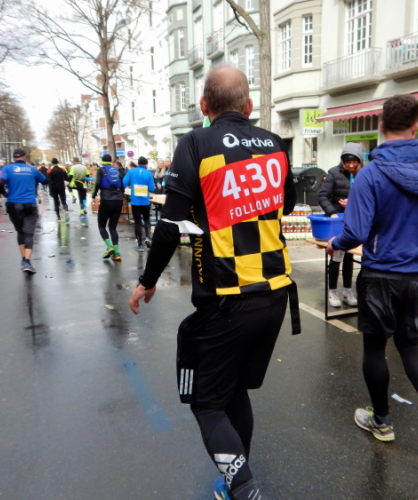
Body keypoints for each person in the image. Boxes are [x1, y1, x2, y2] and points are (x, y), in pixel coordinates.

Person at [129, 65, 299, 500]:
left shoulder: (196, 143)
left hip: (227, 298)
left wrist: (148, 280)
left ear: (204, 106)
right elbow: (287, 204)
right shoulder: (275, 144)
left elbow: (170, 225)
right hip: (275, 293)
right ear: (249, 105)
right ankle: (237, 481)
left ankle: (243, 488)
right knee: (235, 390)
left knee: (206, 402)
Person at [327, 94, 418, 468]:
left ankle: (382, 421)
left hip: (380, 276)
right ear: (416, 126)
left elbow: (355, 232)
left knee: (375, 349)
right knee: (410, 344)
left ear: (380, 127)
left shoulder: (370, 173)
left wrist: (335, 244)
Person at [318, 143, 363, 307]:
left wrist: (352, 203)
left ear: (359, 161)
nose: (351, 165)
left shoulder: (363, 174)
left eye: (354, 162)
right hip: (337, 222)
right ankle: (332, 291)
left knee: (349, 256)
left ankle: (347, 291)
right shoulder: (333, 173)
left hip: (354, 221)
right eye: (347, 162)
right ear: (342, 161)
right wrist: (332, 212)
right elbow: (322, 196)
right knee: (337, 255)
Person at [0, 149, 47, 274]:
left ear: (13, 158)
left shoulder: (7, 168)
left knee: (20, 231)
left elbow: (0, 183)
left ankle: (24, 259)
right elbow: (45, 180)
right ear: (25, 157)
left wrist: (4, 193)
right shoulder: (32, 169)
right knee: (29, 233)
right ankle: (27, 262)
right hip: (29, 204)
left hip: (13, 204)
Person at [92, 154, 124, 261]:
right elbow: (122, 186)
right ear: (111, 161)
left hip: (106, 200)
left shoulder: (101, 170)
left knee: (101, 226)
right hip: (118, 200)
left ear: (102, 161)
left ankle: (109, 246)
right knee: (113, 227)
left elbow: (97, 183)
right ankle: (116, 253)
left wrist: (93, 196)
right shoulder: (116, 170)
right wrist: (121, 195)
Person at [123, 156, 155, 251]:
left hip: (135, 201)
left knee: (137, 222)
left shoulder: (131, 172)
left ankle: (140, 245)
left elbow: (123, 183)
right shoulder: (149, 173)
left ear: (138, 163)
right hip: (145, 201)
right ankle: (148, 238)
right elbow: (152, 189)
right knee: (146, 220)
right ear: (146, 164)